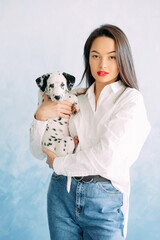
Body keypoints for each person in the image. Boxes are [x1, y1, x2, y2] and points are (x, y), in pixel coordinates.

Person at [30, 24, 151, 240]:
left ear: (123, 58)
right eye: (95, 56)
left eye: (112, 57)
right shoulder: (76, 98)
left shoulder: (130, 100)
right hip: (61, 194)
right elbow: (40, 152)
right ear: (88, 58)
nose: (102, 63)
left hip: (103, 198)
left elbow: (106, 158)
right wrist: (40, 116)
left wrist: (59, 163)